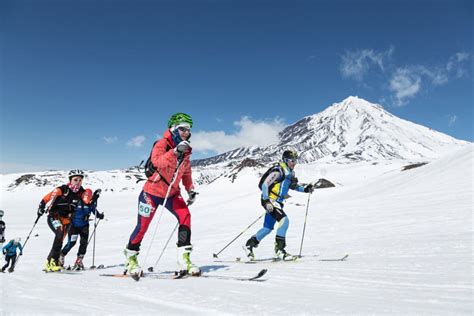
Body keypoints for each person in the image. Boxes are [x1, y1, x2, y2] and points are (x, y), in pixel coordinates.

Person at [124, 112, 200, 277]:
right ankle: (131, 258)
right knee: (142, 227)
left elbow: (186, 173)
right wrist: (174, 152)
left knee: (185, 216)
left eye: (189, 129)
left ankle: (184, 259)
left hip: (172, 193)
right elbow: (157, 161)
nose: (187, 132)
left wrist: (190, 189)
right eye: (183, 129)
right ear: (173, 129)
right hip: (150, 193)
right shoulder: (162, 143)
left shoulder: (187, 150)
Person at [245, 149, 314, 260]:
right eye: (292, 160)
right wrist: (267, 201)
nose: (294, 163)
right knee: (284, 221)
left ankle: (249, 245)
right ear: (286, 160)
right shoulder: (279, 171)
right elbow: (264, 185)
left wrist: (305, 189)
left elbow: (293, 186)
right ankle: (280, 250)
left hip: (278, 202)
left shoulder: (290, 172)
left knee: (267, 228)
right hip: (270, 200)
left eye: (295, 160)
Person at [37, 169, 93, 272]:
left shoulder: (81, 192)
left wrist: (93, 198)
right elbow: (48, 197)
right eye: (75, 180)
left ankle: (49, 262)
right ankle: (54, 261)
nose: (78, 182)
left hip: (67, 220)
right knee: (59, 233)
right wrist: (41, 206)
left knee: (60, 239)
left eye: (80, 180)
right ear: (70, 180)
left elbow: (87, 200)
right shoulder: (63, 190)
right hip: (54, 217)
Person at [60, 189, 104, 270]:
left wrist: (99, 215)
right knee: (71, 243)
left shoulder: (91, 204)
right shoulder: (77, 202)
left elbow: (94, 211)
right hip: (74, 226)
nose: (87, 200)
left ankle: (79, 261)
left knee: (84, 243)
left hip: (84, 226)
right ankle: (61, 256)